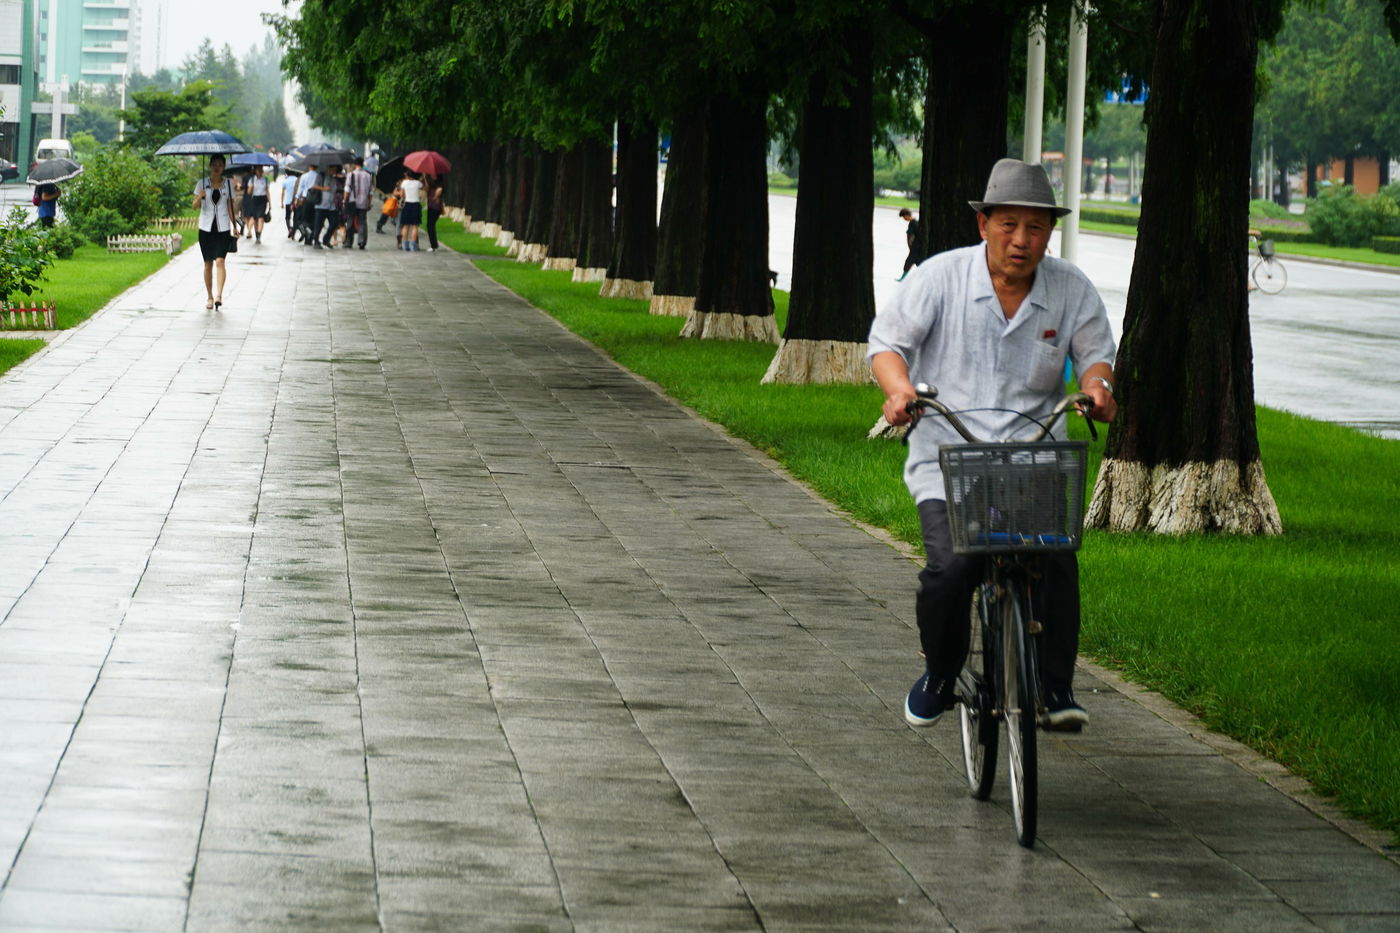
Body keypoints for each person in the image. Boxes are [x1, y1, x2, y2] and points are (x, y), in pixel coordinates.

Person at [868, 158, 1118, 732]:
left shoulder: (1070, 288)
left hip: (1035, 455)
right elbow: (887, 345)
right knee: (953, 567)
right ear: (984, 225)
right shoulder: (939, 277)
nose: (1021, 240)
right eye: (1009, 225)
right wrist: (899, 389)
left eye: (1035, 228)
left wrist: (1097, 389)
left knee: (1056, 555)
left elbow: (1096, 355)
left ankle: (1055, 686)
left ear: (1050, 232)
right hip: (949, 456)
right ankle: (939, 671)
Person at [193, 154, 238, 311]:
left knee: (220, 261)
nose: (217, 167)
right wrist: (200, 197)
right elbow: (194, 206)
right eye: (214, 164)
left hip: (223, 228)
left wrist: (235, 225)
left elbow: (231, 207)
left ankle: (219, 295)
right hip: (205, 228)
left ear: (224, 167)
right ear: (210, 166)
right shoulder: (202, 183)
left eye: (220, 164)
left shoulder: (228, 184)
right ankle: (210, 297)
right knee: (208, 263)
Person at [343, 157, 373, 249]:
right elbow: (370, 192)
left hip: (352, 202)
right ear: (363, 164)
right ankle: (362, 242)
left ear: (355, 164)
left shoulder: (350, 175)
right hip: (363, 202)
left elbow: (347, 189)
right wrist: (369, 202)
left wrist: (345, 200)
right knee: (362, 222)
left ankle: (348, 242)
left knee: (350, 221)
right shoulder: (368, 176)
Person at [396, 171, 424, 251]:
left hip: (407, 204)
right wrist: (424, 178)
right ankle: (413, 245)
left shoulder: (404, 183)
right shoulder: (418, 183)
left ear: (407, 175)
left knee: (406, 225)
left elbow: (402, 195)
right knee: (415, 226)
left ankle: (405, 245)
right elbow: (425, 188)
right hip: (416, 204)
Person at [241, 165, 270, 242]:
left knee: (261, 218)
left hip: (263, 200)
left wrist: (270, 203)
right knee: (255, 218)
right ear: (255, 171)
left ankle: (259, 235)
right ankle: (254, 232)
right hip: (254, 200)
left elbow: (267, 191)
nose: (260, 172)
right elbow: (248, 192)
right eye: (258, 170)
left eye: (261, 170)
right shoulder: (252, 180)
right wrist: (251, 187)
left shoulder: (265, 180)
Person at [295, 166, 320, 243]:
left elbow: (300, 188)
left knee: (305, 218)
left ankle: (307, 235)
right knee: (313, 218)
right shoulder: (319, 176)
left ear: (309, 167)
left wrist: (297, 198)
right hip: (316, 199)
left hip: (306, 199)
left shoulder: (304, 176)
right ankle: (311, 236)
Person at [898, 207, 923, 280]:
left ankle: (903, 278)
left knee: (909, 262)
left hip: (915, 247)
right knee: (917, 262)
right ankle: (903, 277)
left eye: (903, 217)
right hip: (915, 247)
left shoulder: (913, 223)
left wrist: (911, 244)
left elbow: (912, 235)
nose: (904, 219)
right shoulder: (914, 222)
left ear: (907, 215)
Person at [424, 173, 445, 252]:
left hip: (435, 206)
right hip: (431, 205)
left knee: (430, 225)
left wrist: (435, 197)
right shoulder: (430, 181)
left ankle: (434, 245)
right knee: (430, 225)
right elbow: (426, 189)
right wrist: (425, 178)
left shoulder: (439, 183)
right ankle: (434, 244)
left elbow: (440, 190)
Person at [280, 170, 300, 238]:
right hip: (296, 201)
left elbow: (283, 192)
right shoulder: (297, 180)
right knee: (295, 217)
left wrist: (282, 202)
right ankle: (293, 231)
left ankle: (289, 229)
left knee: (287, 217)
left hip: (288, 201)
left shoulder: (286, 181)